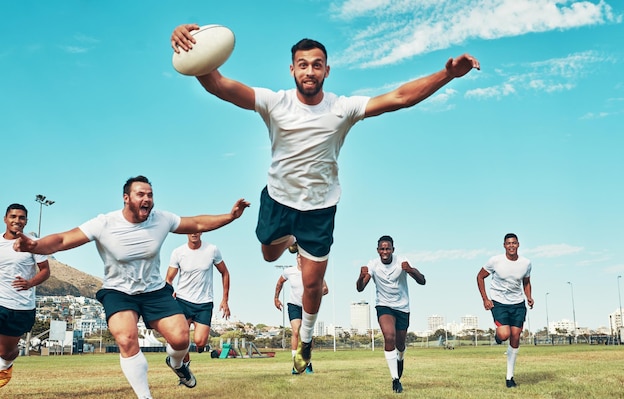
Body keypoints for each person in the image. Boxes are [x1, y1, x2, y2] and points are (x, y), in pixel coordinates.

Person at [171, 24, 479, 373]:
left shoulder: (342, 107)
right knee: (268, 252)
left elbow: (399, 98)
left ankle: (306, 340)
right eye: (303, 64)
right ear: (292, 69)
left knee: (312, 283)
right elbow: (218, 85)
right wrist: (189, 48)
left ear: (327, 71)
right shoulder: (274, 102)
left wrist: (447, 74)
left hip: (319, 210)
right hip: (278, 201)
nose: (310, 71)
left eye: (317, 65)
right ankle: (289, 240)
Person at [13, 176, 249, 399]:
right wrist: (34, 245)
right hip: (119, 292)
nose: (147, 199)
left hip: (155, 291)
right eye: (140, 194)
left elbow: (196, 222)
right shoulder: (104, 223)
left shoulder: (161, 219)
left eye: (150, 194)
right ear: (126, 198)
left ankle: (177, 364)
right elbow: (63, 239)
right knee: (126, 338)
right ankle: (144, 395)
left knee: (180, 341)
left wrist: (230, 216)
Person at [356, 235, 425, 393]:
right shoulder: (373, 265)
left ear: (393, 250)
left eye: (388, 248)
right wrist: (361, 276)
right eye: (382, 248)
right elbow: (360, 288)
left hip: (402, 308)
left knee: (400, 344)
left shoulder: (402, 261)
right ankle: (395, 380)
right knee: (389, 336)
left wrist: (411, 270)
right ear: (378, 250)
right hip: (384, 305)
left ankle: (400, 358)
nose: (385, 251)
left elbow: (422, 280)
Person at [0, 204, 50, 388]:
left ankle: (5, 366)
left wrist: (30, 283)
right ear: (5, 219)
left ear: (26, 221)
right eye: (13, 216)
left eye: (21, 217)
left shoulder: (33, 243)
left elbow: (45, 271)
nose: (17, 220)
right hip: (0, 301)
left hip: (21, 307)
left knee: (7, 352)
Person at [476, 233, 533, 389]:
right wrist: (485, 299)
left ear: (518, 244)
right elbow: (480, 277)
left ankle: (510, 377)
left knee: (515, 337)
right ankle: (498, 335)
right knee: (504, 334)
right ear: (504, 245)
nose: (511, 246)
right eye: (508, 243)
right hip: (499, 302)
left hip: (518, 304)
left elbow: (526, 282)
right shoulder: (495, 261)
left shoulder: (526, 263)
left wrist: (529, 297)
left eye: (514, 243)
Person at [166, 232, 231, 365]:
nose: (194, 233)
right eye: (190, 230)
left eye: (197, 230)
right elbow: (169, 279)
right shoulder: (178, 252)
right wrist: (169, 292)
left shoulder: (212, 250)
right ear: (186, 232)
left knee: (200, 341)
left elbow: (224, 272)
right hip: (183, 300)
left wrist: (225, 299)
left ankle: (199, 347)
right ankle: (185, 367)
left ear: (201, 232)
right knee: (180, 339)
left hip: (204, 303)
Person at [274, 252, 328, 374]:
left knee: (306, 335)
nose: (300, 259)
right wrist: (276, 298)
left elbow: (325, 289)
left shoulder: (313, 271)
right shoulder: (289, 271)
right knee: (296, 331)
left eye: (302, 257)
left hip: (309, 306)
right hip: (294, 305)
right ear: (296, 258)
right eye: (298, 257)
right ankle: (296, 364)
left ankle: (307, 363)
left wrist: (313, 294)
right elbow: (279, 283)